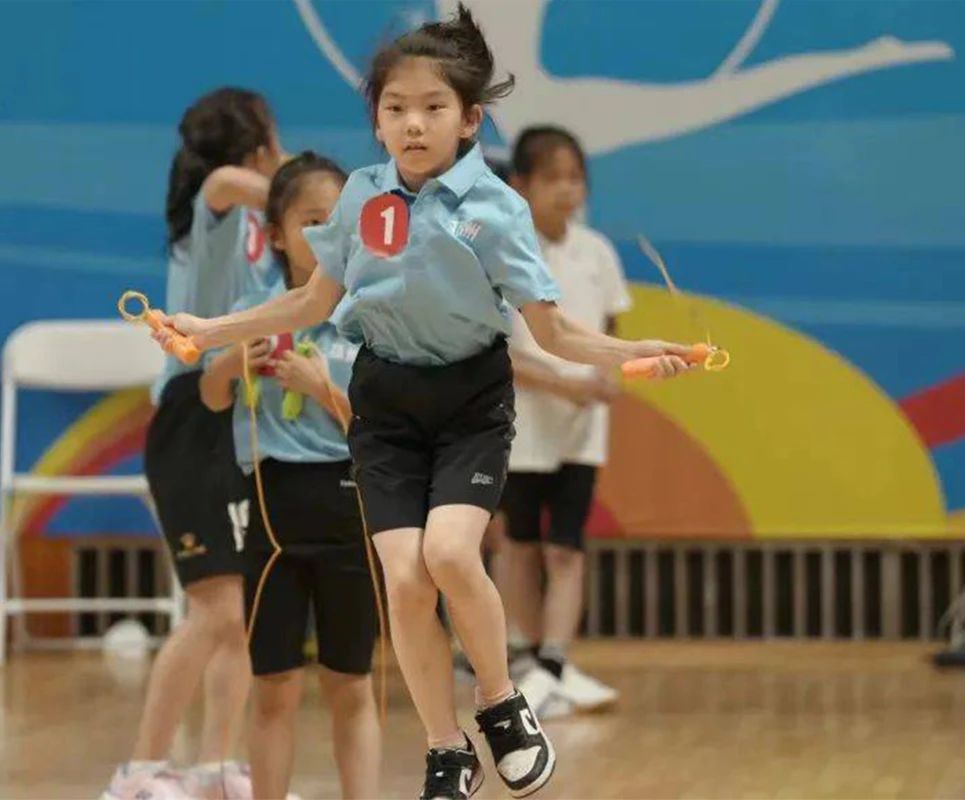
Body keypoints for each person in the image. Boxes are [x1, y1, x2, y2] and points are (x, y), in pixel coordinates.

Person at [158, 7, 694, 798]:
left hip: (469, 404)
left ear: (469, 119)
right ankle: (447, 749)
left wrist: (632, 353)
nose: (413, 123)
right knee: (406, 580)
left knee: (448, 553)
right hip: (384, 408)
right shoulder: (359, 199)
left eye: (433, 107)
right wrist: (210, 330)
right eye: (395, 107)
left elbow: (549, 329)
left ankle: (500, 702)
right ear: (377, 121)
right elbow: (309, 302)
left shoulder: (495, 210)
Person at [104, 87, 286, 800]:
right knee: (215, 609)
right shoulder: (218, 200)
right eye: (272, 136)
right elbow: (235, 182)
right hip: (189, 417)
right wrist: (315, 193)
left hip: (235, 417)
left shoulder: (255, 233)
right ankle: (140, 770)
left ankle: (214, 767)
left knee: (241, 612)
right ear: (258, 144)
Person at [199, 152, 381, 800]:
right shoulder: (254, 308)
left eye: (337, 222)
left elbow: (384, 430)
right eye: (310, 222)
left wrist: (321, 388)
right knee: (273, 683)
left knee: (350, 683)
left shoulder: (370, 314)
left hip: (349, 507)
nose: (326, 236)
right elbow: (212, 397)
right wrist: (231, 363)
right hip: (272, 512)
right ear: (276, 235)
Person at [498, 125, 629, 719]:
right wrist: (562, 384)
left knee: (567, 548)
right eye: (552, 178)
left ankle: (555, 663)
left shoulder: (596, 251)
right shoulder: (503, 252)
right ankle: (528, 660)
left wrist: (605, 375)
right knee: (519, 544)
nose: (567, 190)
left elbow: (611, 327)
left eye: (576, 178)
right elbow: (500, 350)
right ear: (520, 184)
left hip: (582, 431)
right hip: (521, 427)